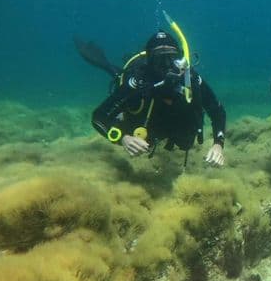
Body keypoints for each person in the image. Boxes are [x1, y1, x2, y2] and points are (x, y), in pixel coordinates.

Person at [78, 13, 226, 168]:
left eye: (171, 58)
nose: (166, 65)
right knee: (119, 77)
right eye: (158, 60)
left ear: (180, 60)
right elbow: (99, 117)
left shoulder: (192, 80)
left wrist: (218, 144)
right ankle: (108, 65)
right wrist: (123, 138)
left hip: (177, 129)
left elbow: (218, 111)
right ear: (149, 62)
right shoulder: (138, 83)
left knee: (184, 140)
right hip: (142, 128)